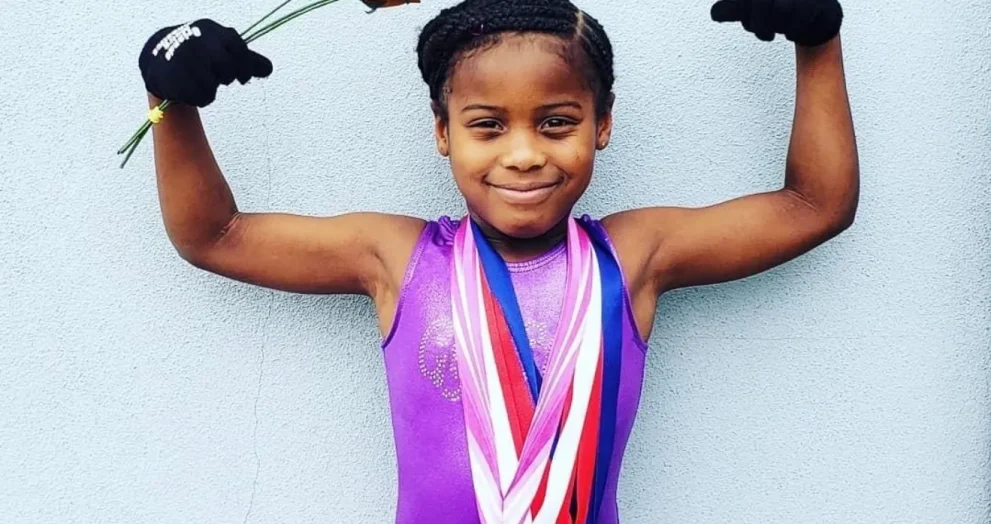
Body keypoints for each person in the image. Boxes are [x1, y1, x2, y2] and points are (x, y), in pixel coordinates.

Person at [138, 0, 858, 521]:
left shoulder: (634, 255)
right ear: (442, 133)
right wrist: (170, 104)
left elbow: (812, 206)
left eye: (556, 122)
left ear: (601, 125)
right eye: (486, 125)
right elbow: (216, 235)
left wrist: (817, 42)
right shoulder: (396, 257)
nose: (523, 153)